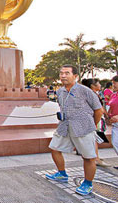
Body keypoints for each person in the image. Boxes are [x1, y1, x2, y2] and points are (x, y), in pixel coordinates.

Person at [45, 65, 103, 196]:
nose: (63, 76)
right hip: (64, 126)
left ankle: (88, 183)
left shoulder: (85, 91)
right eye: (61, 73)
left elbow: (98, 110)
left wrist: (92, 125)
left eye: (67, 73)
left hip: (83, 128)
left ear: (75, 76)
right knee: (54, 148)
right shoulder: (60, 91)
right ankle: (61, 173)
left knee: (88, 157)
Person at [81, 78, 111, 167]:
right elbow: (99, 109)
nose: (100, 85)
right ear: (93, 86)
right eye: (98, 83)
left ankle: (95, 157)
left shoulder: (90, 94)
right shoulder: (92, 94)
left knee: (94, 139)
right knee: (94, 139)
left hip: (93, 119)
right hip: (94, 119)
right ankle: (96, 158)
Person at [106, 75, 118, 169]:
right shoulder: (114, 94)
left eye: (115, 83)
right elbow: (111, 106)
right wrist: (108, 116)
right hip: (115, 124)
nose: (113, 85)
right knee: (115, 143)